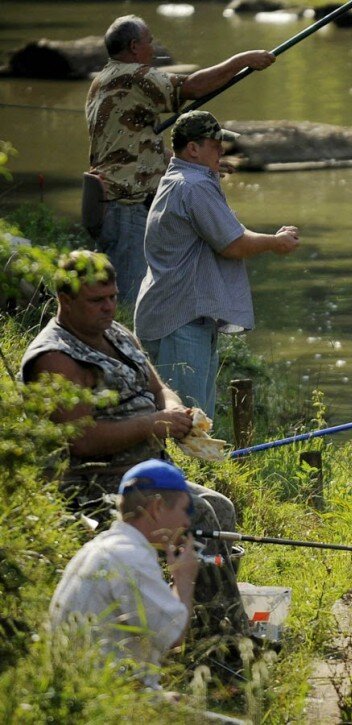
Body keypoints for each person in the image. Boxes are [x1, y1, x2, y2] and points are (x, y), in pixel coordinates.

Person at [20, 251, 246, 633]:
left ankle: (206, 622)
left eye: (112, 297)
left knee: (220, 508)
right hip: (93, 486)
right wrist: (152, 425)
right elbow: (81, 441)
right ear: (66, 300)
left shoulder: (115, 332)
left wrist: (177, 412)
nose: (109, 308)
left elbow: (157, 386)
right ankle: (223, 639)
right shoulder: (55, 358)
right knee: (200, 516)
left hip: (144, 475)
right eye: (97, 300)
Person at [86, 14, 275, 305]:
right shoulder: (132, 75)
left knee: (126, 290)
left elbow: (135, 147)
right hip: (125, 205)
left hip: (110, 201)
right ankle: (124, 348)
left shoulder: (101, 81)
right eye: (150, 41)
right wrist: (243, 60)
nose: (154, 48)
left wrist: (193, 162)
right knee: (127, 297)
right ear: (135, 46)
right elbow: (193, 87)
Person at [134, 110, 300, 420]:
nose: (221, 151)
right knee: (188, 425)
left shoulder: (181, 178)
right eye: (215, 145)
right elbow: (233, 244)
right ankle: (187, 470)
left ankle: (190, 469)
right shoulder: (195, 186)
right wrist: (275, 242)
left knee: (188, 421)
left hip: (172, 315)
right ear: (192, 149)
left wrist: (209, 172)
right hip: (180, 322)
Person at [49, 459, 199, 690]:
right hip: (102, 700)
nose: (187, 521)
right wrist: (184, 579)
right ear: (157, 508)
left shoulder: (99, 547)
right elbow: (174, 637)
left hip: (81, 690)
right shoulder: (131, 558)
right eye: (184, 510)